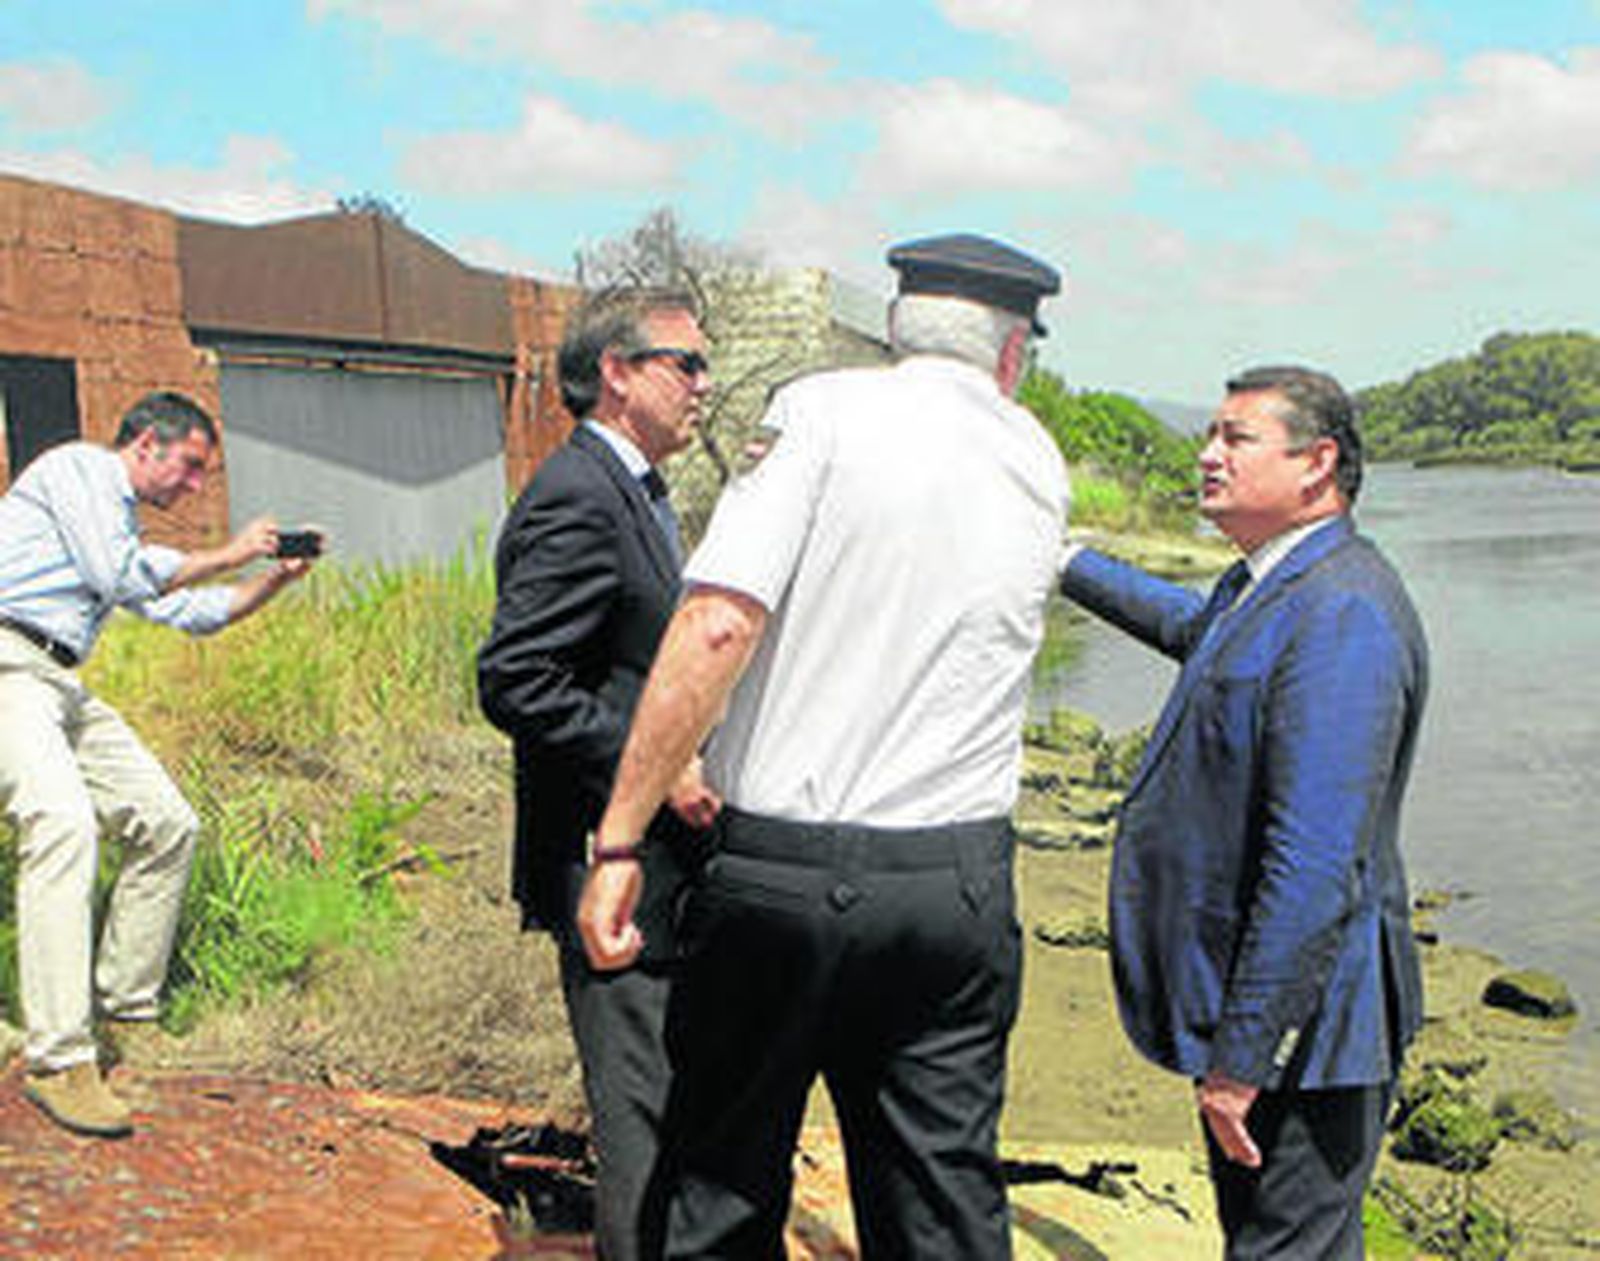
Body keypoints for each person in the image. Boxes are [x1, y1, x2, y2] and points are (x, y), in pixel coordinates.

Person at [579, 234, 1069, 1259]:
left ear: (894, 324)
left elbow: (717, 622)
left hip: (786, 879)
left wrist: (620, 837)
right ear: (1012, 352)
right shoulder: (1034, 458)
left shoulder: (822, 412)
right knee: (940, 1197)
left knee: (720, 1178)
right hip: (955, 886)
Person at [1059, 366, 1427, 1258]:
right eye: (1211, 434)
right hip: (1272, 1023)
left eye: (1235, 438)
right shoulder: (1269, 583)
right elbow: (1199, 631)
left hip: (1314, 1036)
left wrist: (1244, 1057)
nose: (1207, 454)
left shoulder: (1343, 611)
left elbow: (1314, 864)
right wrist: (1064, 559)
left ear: (1318, 464)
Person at [0, 390, 317, 1138]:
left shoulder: (117, 528)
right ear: (146, 443)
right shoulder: (78, 470)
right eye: (192, 466)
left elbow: (192, 611)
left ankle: (127, 1009)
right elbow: (120, 576)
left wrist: (272, 578)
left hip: (56, 680)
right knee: (62, 821)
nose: (196, 486)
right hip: (6, 662)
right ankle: (58, 1058)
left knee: (168, 822)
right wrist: (234, 549)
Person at [477, 285, 719, 1261]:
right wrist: (653, 765)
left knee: (667, 1102)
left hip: (657, 865)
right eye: (685, 364)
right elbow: (515, 679)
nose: (704, 384)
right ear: (616, 372)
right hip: (606, 860)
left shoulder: (632, 490)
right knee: (639, 1120)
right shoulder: (578, 495)